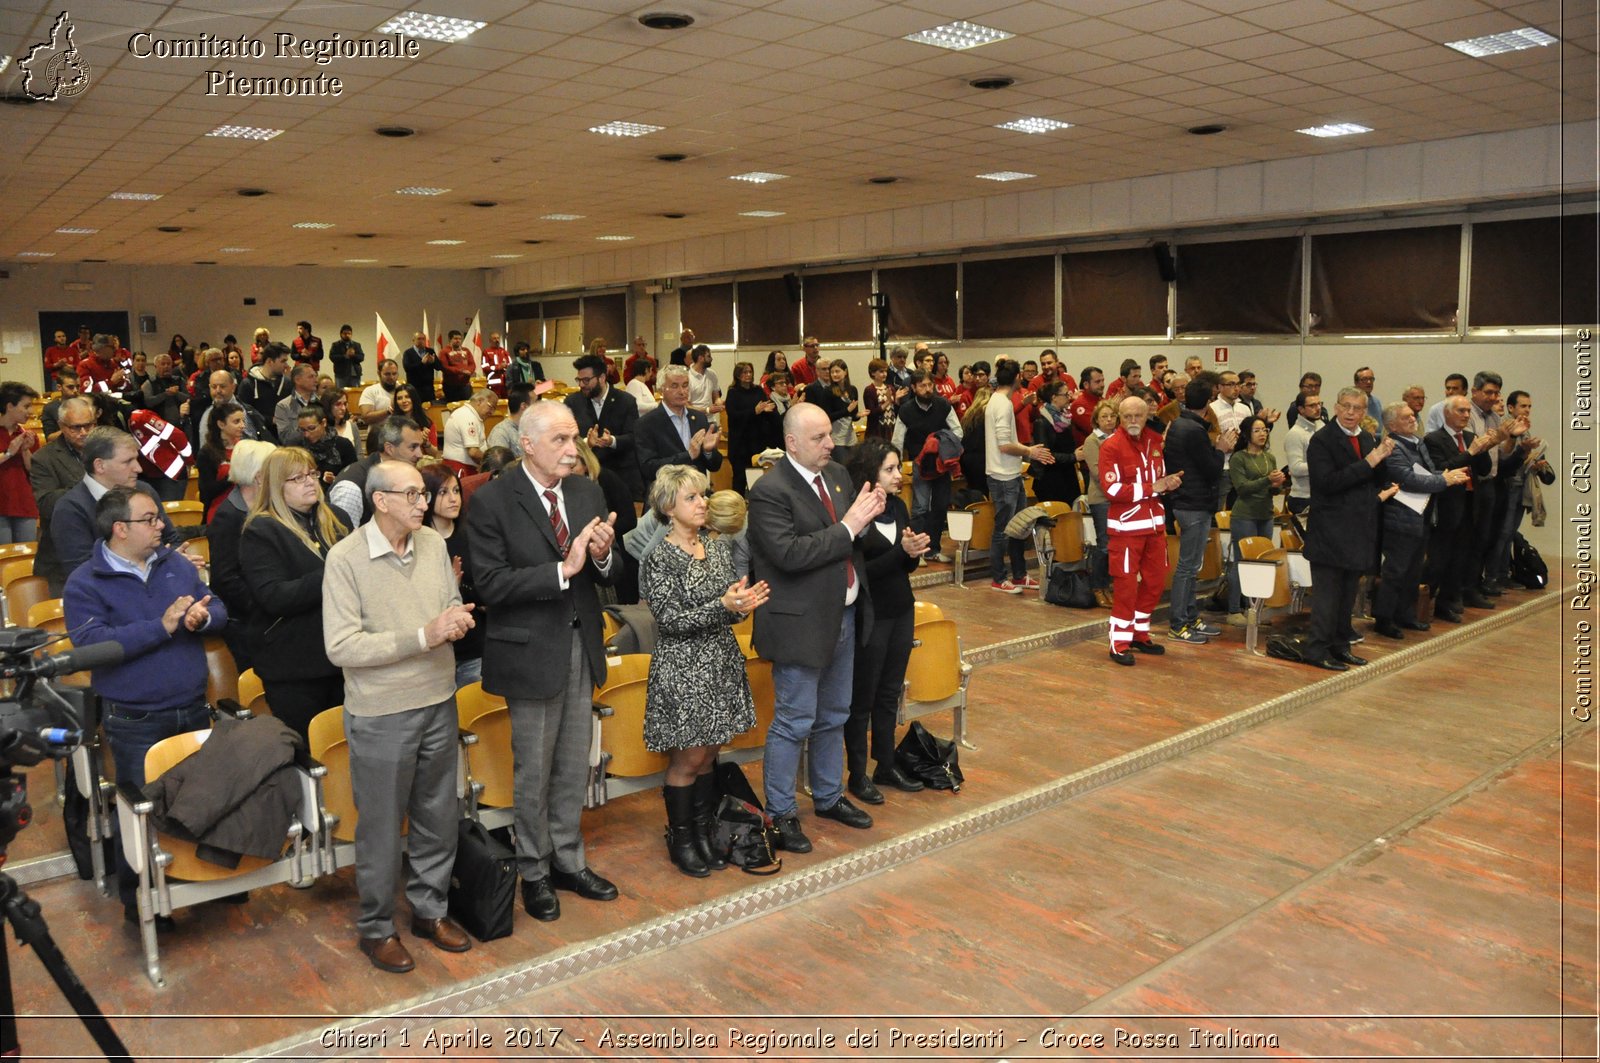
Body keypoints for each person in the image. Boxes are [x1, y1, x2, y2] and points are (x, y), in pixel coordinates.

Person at [467, 401, 621, 922]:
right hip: (529, 650)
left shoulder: (585, 490)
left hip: (582, 642)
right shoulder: (491, 501)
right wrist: (564, 568)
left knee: (573, 762)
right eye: (559, 439)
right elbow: (488, 584)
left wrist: (601, 555)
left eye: (574, 438)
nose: (572, 449)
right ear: (527, 444)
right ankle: (534, 870)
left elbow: (608, 568)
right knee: (533, 769)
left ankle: (568, 860)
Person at [323, 458, 476, 974]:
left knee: (438, 817)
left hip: (438, 697)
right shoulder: (345, 559)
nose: (424, 502)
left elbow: (446, 599)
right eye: (411, 495)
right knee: (383, 828)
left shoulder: (433, 543)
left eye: (423, 494)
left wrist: (454, 619)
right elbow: (341, 646)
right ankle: (377, 927)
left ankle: (430, 912)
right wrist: (424, 636)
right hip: (383, 710)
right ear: (380, 500)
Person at [63, 486, 225, 924]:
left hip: (192, 705)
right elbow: (91, 646)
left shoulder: (173, 564)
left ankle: (209, 881)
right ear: (121, 529)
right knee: (141, 812)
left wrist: (202, 617)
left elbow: (219, 608)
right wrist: (162, 625)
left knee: (201, 800)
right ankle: (143, 906)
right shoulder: (85, 581)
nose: (162, 526)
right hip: (134, 717)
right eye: (150, 519)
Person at [747, 403, 883, 853]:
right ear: (791, 443)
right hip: (800, 624)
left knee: (835, 715)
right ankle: (781, 812)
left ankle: (827, 796)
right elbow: (789, 555)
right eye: (820, 438)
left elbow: (850, 540)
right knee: (794, 719)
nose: (831, 444)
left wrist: (865, 522)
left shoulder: (839, 477)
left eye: (829, 435)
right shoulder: (770, 491)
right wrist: (850, 526)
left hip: (843, 613)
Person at [639, 464, 765, 876]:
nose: (702, 502)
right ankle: (682, 839)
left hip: (720, 662)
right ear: (668, 507)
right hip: (684, 668)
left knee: (711, 754)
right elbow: (670, 620)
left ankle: (707, 834)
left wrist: (740, 605)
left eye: (703, 494)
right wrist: (722, 607)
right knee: (689, 759)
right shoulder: (659, 558)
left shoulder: (716, 547)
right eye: (691, 497)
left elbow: (728, 610)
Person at [240, 447, 351, 738]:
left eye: (312, 474)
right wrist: (334, 572)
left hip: (344, 655)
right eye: (296, 478)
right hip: (295, 666)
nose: (309, 482)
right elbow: (274, 596)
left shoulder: (336, 519)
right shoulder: (262, 530)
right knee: (308, 752)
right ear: (277, 486)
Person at [842, 439, 927, 806]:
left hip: (901, 608)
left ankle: (886, 764)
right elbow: (861, 572)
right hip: (871, 613)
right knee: (863, 697)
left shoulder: (899, 506)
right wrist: (900, 554)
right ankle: (858, 774)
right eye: (890, 469)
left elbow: (903, 566)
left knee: (890, 691)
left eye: (899, 468)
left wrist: (913, 554)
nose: (898, 475)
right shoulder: (857, 513)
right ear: (870, 473)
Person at [1302, 387, 1399, 671]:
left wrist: (1383, 458)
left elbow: (1374, 479)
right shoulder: (1322, 440)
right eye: (1346, 406)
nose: (1351, 413)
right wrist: (1369, 462)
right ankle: (1317, 649)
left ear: (1365, 412)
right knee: (1327, 598)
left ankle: (1340, 645)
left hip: (1358, 529)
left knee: (1347, 597)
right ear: (1335, 407)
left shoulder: (1366, 437)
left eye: (1357, 408)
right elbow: (1327, 483)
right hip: (1330, 531)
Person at [41, 426, 193, 595]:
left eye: (136, 459)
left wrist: (175, 560)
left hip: (146, 587)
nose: (138, 468)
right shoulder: (70, 509)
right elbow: (83, 571)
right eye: (128, 461)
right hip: (92, 598)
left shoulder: (144, 491)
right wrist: (159, 563)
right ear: (100, 466)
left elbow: (171, 539)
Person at [1373, 402, 1471, 640]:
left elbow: (1427, 471)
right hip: (1400, 515)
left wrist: (1445, 475)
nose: (1413, 419)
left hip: (1422, 514)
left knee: (1414, 570)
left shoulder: (1417, 442)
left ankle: (1406, 614)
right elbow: (1407, 479)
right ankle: (1384, 618)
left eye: (1413, 415)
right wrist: (1444, 481)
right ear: (1392, 424)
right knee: (1396, 570)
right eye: (1406, 417)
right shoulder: (1392, 447)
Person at [1100, 396, 1178, 665]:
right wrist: (1151, 489)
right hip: (1125, 530)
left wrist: (1168, 483)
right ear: (1119, 417)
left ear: (1147, 416)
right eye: (1127, 417)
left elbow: (1159, 478)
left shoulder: (1155, 441)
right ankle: (1119, 642)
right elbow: (1111, 490)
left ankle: (1138, 632)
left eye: (1138, 416)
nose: (1133, 421)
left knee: (1156, 581)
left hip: (1154, 526)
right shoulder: (1110, 446)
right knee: (1125, 587)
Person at [1163, 379, 1232, 642]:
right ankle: (1179, 623)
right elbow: (1212, 469)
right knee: (1187, 568)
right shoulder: (1193, 430)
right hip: (1193, 503)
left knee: (1191, 566)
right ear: (1208, 402)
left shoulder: (1181, 424)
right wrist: (1220, 449)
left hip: (1188, 501)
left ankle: (1191, 618)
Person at [1423, 395, 1498, 622]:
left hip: (1469, 503)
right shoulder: (1434, 439)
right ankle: (1422, 603)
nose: (1466, 415)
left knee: (1460, 556)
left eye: (1467, 411)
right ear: (1447, 413)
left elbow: (1483, 469)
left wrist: (1484, 448)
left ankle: (1448, 602)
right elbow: (1441, 468)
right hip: (1445, 506)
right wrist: (1471, 452)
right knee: (1439, 558)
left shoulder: (1469, 436)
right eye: (1461, 411)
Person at [207, 439, 274, 673]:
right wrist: (267, 604)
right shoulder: (228, 516)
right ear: (258, 476)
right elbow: (225, 578)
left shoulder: (266, 508)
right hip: (248, 624)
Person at [986, 358, 1051, 594]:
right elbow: (1004, 445)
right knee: (1003, 529)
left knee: (1020, 527)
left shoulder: (999, 400)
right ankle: (999, 578)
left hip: (1010, 473)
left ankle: (1020, 574)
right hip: (1002, 475)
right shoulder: (1001, 404)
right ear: (1016, 379)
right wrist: (1029, 451)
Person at [420, 462, 486, 688]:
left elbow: (487, 590)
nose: (453, 498)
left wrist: (459, 587)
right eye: (443, 492)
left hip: (472, 646)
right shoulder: (418, 540)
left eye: (456, 491)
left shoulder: (472, 535)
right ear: (426, 496)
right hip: (433, 652)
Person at [892, 370, 960, 565]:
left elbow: (958, 431)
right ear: (913, 388)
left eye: (930, 385)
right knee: (920, 508)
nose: (927, 389)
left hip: (941, 462)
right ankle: (918, 552)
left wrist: (943, 444)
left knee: (940, 506)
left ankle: (933, 549)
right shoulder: (906, 410)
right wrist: (896, 465)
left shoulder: (943, 405)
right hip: (919, 463)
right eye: (922, 385)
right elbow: (897, 440)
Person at [1224, 414, 1285, 626]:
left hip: (1265, 513)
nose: (1262, 434)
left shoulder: (1269, 457)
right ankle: (1233, 609)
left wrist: (1277, 484)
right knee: (1242, 561)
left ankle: (1254, 607)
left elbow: (1268, 488)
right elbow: (1242, 488)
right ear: (1247, 434)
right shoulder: (1239, 458)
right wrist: (1267, 480)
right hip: (1245, 514)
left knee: (1262, 562)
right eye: (1257, 430)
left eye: (1265, 430)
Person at [565, 354, 642, 501]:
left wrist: (612, 441)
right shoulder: (572, 402)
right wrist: (587, 443)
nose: (581, 385)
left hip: (620, 472)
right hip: (585, 475)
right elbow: (565, 438)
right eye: (579, 380)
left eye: (586, 380)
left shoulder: (626, 401)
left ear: (601, 378)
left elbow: (634, 437)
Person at [636, 365, 723, 490]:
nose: (682, 391)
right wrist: (688, 455)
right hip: (666, 498)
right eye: (674, 386)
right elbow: (648, 468)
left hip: (697, 494)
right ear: (661, 390)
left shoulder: (699, 419)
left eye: (685, 385)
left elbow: (715, 466)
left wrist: (708, 452)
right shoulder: (646, 423)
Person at [329, 418, 427, 529]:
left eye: (420, 446)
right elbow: (343, 541)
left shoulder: (405, 476)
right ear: (389, 449)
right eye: (413, 447)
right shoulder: (351, 488)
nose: (420, 455)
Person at [1077, 399, 1119, 608]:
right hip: (1102, 498)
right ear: (1096, 420)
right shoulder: (1092, 441)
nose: (1109, 420)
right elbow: (1098, 472)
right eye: (1104, 416)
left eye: (1112, 416)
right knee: (1104, 545)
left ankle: (1109, 584)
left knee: (1116, 544)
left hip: (1120, 497)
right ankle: (1098, 587)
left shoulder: (1121, 438)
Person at [724, 361, 776, 495]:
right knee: (739, 479)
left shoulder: (758, 390)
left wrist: (767, 410)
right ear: (738, 375)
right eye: (744, 372)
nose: (748, 375)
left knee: (757, 479)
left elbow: (764, 406)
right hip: (740, 443)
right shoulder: (733, 393)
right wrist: (754, 411)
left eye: (750, 372)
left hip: (756, 441)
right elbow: (733, 415)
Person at [0, 382, 40, 544]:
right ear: (10, 406)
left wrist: (25, 450)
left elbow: (33, 470)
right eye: (26, 406)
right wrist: (8, 453)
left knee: (26, 557)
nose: (30, 412)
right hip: (1, 506)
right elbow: (7, 454)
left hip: (24, 505)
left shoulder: (28, 436)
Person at [1030, 380, 1079, 505]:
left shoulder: (1065, 419)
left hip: (1067, 475)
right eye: (1066, 394)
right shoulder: (1041, 422)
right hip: (1050, 480)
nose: (1069, 397)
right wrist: (1074, 457)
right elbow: (1046, 456)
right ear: (1054, 398)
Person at [196, 400, 247, 518]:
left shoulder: (246, 447)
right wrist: (233, 475)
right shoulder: (207, 453)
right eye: (236, 422)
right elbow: (207, 492)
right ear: (221, 424)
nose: (242, 425)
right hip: (220, 513)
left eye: (243, 421)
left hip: (246, 507)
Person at [238, 343, 294, 437]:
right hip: (257, 439)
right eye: (283, 361)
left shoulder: (287, 383)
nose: (286, 365)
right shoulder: (248, 384)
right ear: (269, 361)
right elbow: (243, 414)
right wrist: (270, 420)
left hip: (285, 439)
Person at [442, 389, 497, 476]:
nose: (492, 412)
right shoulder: (468, 416)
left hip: (465, 467)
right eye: (491, 407)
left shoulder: (470, 414)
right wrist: (492, 461)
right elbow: (473, 452)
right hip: (460, 470)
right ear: (480, 401)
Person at [299, 404, 357, 485]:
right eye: (302, 430)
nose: (306, 434)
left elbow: (354, 477)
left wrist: (335, 480)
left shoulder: (343, 445)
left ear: (324, 423)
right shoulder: (298, 447)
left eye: (311, 428)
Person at [1283, 393, 1320, 514]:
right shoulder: (1295, 434)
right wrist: (1324, 466)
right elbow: (1295, 468)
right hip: (1303, 498)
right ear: (1301, 409)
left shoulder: (1321, 426)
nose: (1318, 408)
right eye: (1312, 405)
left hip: (1320, 494)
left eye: (1319, 404)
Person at [273, 364, 321, 445]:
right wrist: (308, 429)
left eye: (315, 376)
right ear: (297, 380)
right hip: (298, 452)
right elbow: (285, 439)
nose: (316, 380)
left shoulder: (321, 402)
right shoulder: (283, 406)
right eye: (311, 377)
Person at [391, 384, 438, 451]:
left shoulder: (426, 423)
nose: (404, 401)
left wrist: (425, 442)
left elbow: (434, 454)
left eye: (407, 397)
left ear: (414, 399)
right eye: (399, 398)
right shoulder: (392, 424)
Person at [358, 358, 400, 430]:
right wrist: (389, 411)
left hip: (400, 435)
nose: (392, 377)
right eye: (387, 374)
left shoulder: (403, 390)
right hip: (378, 436)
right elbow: (366, 418)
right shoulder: (370, 391)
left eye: (394, 374)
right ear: (379, 373)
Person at [862, 358, 897, 443]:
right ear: (873, 373)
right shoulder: (870, 390)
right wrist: (888, 401)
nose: (884, 374)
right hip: (877, 431)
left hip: (891, 428)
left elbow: (894, 408)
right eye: (881, 372)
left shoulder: (890, 388)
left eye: (886, 371)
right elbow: (872, 413)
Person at [439, 331, 475, 403]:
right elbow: (445, 367)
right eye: (455, 338)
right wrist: (460, 371)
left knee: (466, 406)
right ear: (450, 339)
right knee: (453, 406)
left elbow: (472, 364)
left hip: (465, 385)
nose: (458, 341)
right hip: (451, 386)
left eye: (459, 339)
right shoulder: (444, 351)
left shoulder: (466, 350)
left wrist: (470, 371)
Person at [402, 332, 439, 402]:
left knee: (430, 410)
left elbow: (439, 367)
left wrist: (433, 362)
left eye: (423, 339)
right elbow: (407, 368)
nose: (421, 341)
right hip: (414, 388)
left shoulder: (430, 351)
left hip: (429, 388)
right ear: (413, 340)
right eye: (419, 339)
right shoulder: (408, 353)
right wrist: (421, 363)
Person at [686, 345, 722, 412]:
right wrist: (707, 410)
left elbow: (716, 397)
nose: (711, 359)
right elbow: (686, 406)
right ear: (700, 358)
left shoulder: (712, 374)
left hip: (711, 418)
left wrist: (719, 403)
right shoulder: (686, 377)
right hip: (694, 418)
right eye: (708, 356)